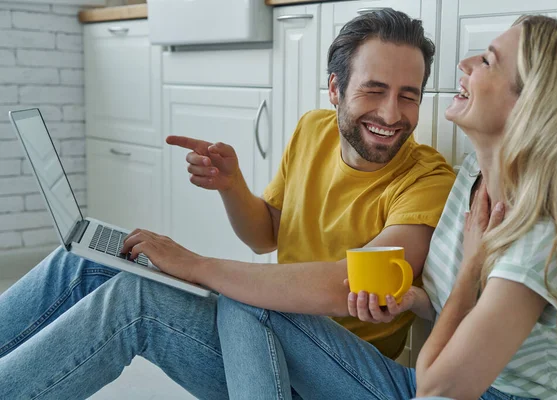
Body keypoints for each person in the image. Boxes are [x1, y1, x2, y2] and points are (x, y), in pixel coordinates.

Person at [0, 10, 455, 398]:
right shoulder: (314, 130)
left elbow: (349, 283)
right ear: (335, 89)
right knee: (84, 262)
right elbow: (265, 236)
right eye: (373, 90)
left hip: (328, 367)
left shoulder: (428, 179)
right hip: (261, 328)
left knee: (136, 299)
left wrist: (195, 265)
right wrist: (232, 186)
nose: (392, 114)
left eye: (408, 96)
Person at [214, 14, 557, 400]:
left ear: (532, 104)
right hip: (434, 378)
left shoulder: (539, 234)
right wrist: (412, 300)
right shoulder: (471, 177)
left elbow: (438, 388)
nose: (465, 64)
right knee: (238, 302)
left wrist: (469, 271)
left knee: (248, 301)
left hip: (484, 392)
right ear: (335, 89)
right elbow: (462, 317)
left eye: (487, 62)